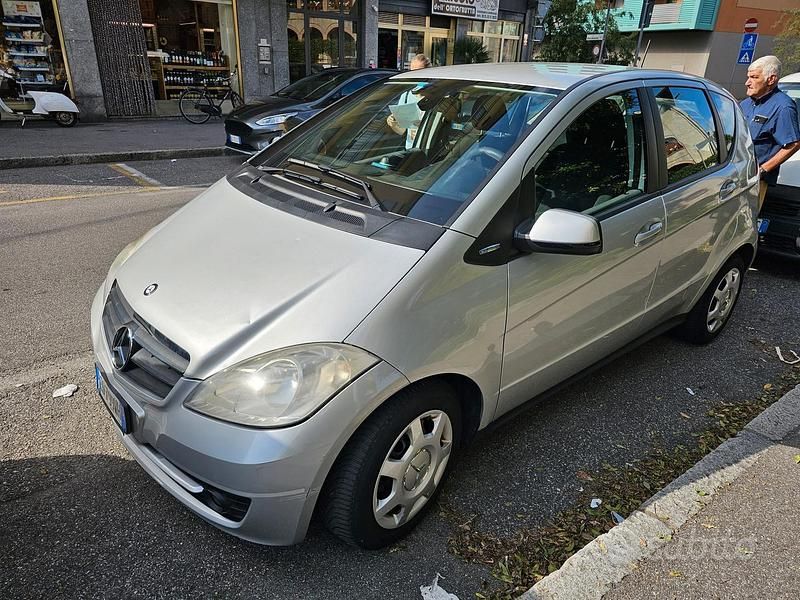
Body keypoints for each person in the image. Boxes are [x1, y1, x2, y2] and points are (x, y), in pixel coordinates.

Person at [740, 55, 800, 211]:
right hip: (733, 175)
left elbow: (793, 143)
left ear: (771, 79)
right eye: (748, 77)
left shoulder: (783, 107)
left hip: (753, 181)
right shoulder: (745, 104)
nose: (747, 82)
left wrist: (762, 170)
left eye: (754, 77)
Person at [387, 54, 431, 148]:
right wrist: (393, 124)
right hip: (411, 150)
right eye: (412, 71)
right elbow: (402, 130)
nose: (415, 75)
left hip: (431, 151)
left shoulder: (436, 94)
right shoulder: (406, 96)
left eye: (419, 71)